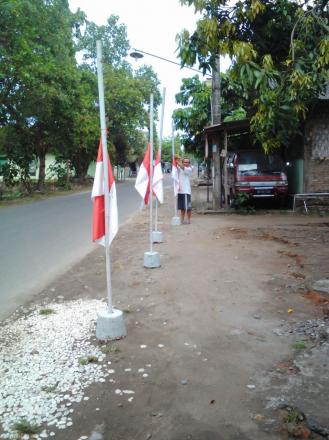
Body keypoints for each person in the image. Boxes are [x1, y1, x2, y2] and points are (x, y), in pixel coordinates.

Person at [177, 157, 193, 224]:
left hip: (186, 191)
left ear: (189, 163)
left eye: (187, 162)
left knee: (188, 208)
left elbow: (182, 167)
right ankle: (182, 220)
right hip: (180, 191)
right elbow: (177, 166)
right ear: (183, 162)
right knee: (182, 208)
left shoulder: (189, 169)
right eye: (184, 162)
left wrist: (177, 160)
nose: (186, 163)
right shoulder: (179, 167)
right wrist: (176, 159)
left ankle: (189, 220)